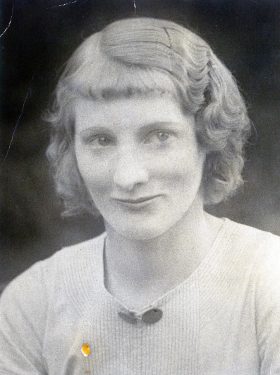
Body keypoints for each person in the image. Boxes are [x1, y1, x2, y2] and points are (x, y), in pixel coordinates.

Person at [0, 17, 279, 375]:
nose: (129, 176)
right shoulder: (30, 305)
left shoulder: (270, 282)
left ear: (207, 138)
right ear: (74, 152)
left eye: (159, 136)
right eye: (100, 140)